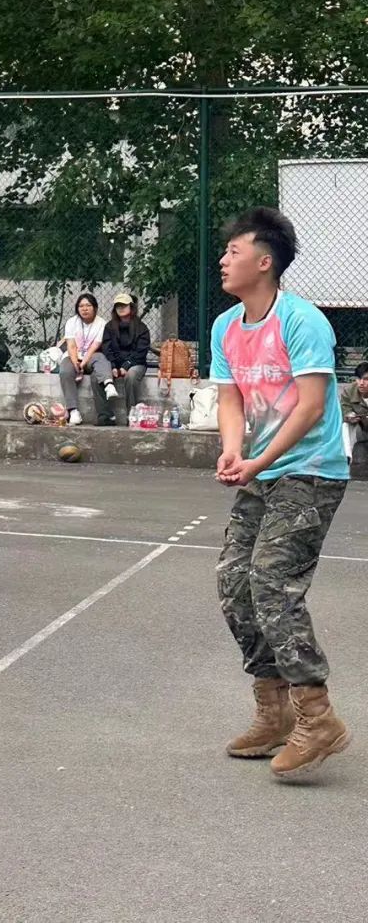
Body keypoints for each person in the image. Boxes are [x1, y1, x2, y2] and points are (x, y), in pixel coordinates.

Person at [213, 206, 350, 781]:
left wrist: (259, 460)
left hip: (311, 470)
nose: (224, 260)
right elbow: (230, 398)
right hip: (261, 470)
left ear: (265, 262)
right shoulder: (226, 326)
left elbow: (312, 406)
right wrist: (233, 450)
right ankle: (273, 712)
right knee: (233, 583)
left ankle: (317, 716)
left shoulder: (302, 321)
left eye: (234, 251)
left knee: (271, 579)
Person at [57, 292, 113, 425]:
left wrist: (83, 364)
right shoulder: (71, 322)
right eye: (81, 306)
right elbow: (71, 345)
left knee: (100, 358)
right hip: (73, 356)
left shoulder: (102, 323)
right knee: (65, 371)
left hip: (91, 356)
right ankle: (73, 411)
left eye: (88, 305)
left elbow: (95, 346)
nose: (84, 309)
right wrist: (75, 362)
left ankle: (108, 384)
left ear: (95, 307)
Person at [99, 291, 150, 422]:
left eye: (124, 305)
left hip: (136, 363)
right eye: (118, 306)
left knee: (131, 376)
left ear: (131, 307)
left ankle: (131, 415)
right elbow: (107, 348)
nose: (120, 308)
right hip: (114, 363)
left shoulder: (142, 328)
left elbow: (141, 351)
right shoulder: (109, 327)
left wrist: (127, 365)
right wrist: (113, 366)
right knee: (97, 376)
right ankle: (106, 416)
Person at [340, 362, 368, 466]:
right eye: (358, 379)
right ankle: (347, 457)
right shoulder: (349, 391)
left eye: (366, 379)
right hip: (361, 429)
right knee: (345, 425)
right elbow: (344, 410)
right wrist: (349, 416)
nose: (361, 383)